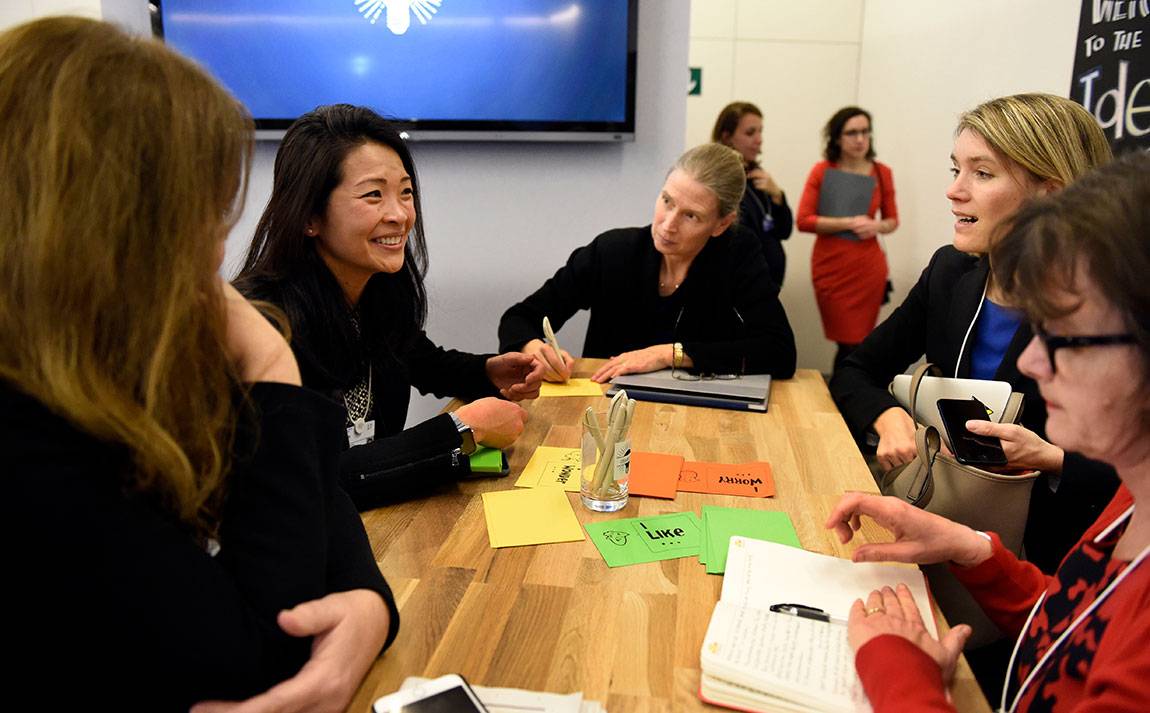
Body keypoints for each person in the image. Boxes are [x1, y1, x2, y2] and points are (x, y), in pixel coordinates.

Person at [1, 17, 396, 712]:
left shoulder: (116, 369)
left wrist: (368, 603)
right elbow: (260, 650)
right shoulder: (34, 448)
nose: (218, 253)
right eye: (206, 217)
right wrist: (272, 359)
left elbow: (322, 499)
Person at [827, 150, 1150, 713]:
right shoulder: (1131, 501)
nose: (1033, 363)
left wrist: (901, 674)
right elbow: (1076, 629)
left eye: (1069, 337)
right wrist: (973, 550)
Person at [829, 94, 1118, 576]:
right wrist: (885, 416)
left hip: (1045, 572)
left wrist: (1051, 458)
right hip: (936, 533)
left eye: (981, 174)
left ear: (1051, 194)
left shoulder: (1112, 313)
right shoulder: (949, 272)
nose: (954, 191)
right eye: (955, 169)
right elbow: (855, 370)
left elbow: (1133, 478)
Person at [236, 105, 543, 509]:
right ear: (309, 215)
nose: (399, 214)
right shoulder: (261, 323)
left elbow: (424, 361)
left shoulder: (374, 292)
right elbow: (311, 481)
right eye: (373, 195)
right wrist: (461, 430)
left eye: (406, 192)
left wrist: (489, 372)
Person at [497, 143, 796, 384]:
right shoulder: (612, 251)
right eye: (667, 201)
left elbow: (780, 353)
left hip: (698, 418)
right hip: (607, 413)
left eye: (691, 215)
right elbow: (519, 318)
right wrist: (533, 348)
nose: (668, 225)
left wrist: (670, 354)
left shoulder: (737, 254)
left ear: (721, 224)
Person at [796, 106, 899, 370]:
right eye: (852, 132)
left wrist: (875, 226)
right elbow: (803, 220)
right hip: (831, 267)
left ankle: (847, 393)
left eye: (865, 131)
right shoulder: (822, 171)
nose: (860, 139)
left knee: (859, 341)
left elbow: (892, 221)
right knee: (846, 341)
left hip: (868, 268)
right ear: (837, 138)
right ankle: (846, 393)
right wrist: (848, 222)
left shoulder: (881, 172)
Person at [711, 101, 794, 287]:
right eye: (750, 133)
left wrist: (778, 196)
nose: (759, 139)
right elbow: (741, 238)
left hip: (766, 285)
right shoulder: (721, 181)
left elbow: (785, 230)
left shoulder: (757, 176)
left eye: (760, 131)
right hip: (741, 284)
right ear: (727, 137)